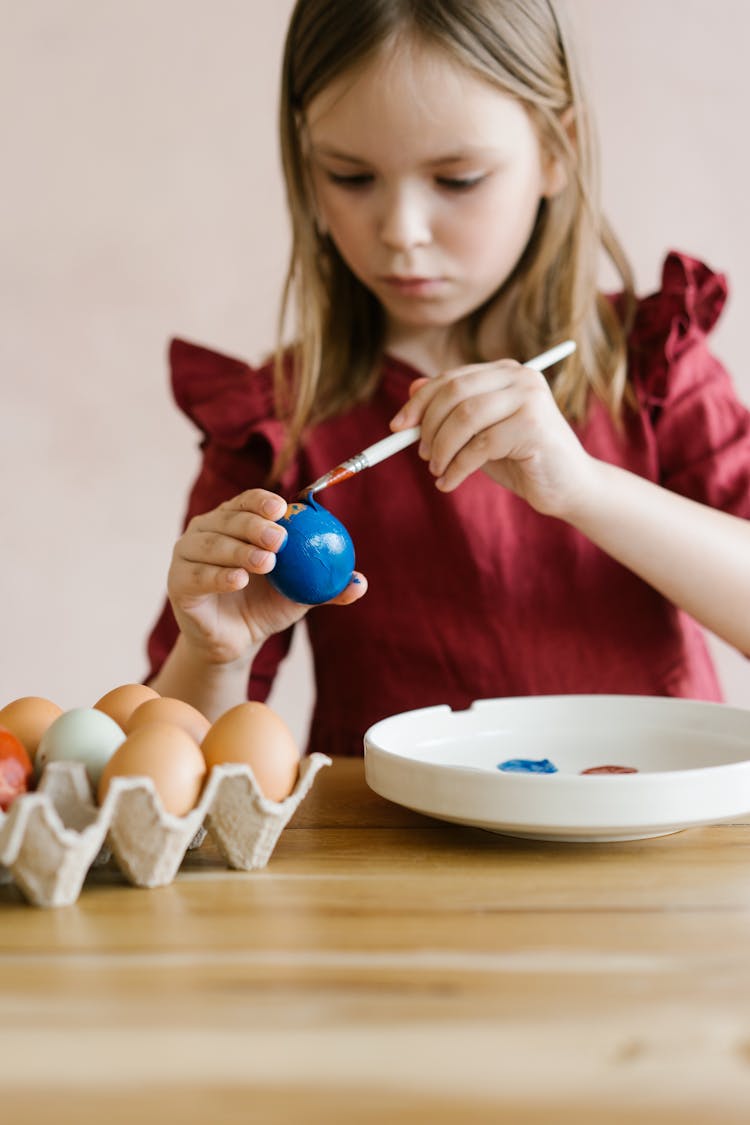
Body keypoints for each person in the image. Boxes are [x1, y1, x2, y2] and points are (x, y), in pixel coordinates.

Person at [147, 0, 750, 758]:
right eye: (351, 175)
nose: (401, 230)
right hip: (399, 867)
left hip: (653, 849)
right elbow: (172, 767)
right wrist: (215, 654)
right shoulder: (276, 422)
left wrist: (586, 490)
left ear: (557, 148)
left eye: (458, 178)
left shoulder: (652, 367)